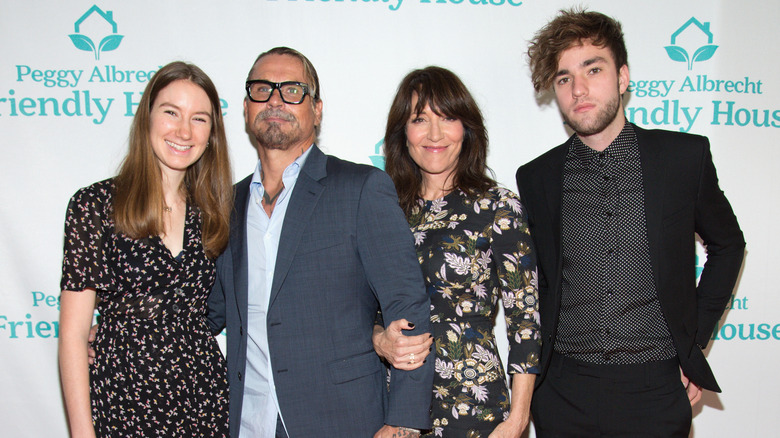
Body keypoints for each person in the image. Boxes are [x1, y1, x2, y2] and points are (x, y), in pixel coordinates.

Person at [515, 9, 745, 437]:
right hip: (563, 390)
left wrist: (692, 342)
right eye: (563, 78)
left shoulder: (681, 159)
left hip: (655, 389)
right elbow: (542, 281)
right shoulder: (536, 177)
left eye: (593, 69)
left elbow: (728, 246)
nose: (578, 89)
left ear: (622, 78)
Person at [205, 47, 434, 438]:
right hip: (247, 423)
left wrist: (404, 422)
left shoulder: (360, 188)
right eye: (262, 89)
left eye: (292, 90)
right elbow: (207, 313)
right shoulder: (226, 204)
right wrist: (118, 334)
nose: (275, 100)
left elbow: (407, 306)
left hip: (344, 421)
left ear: (317, 109)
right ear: (246, 107)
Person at [59, 61, 233, 437]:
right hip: (123, 399)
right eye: (171, 112)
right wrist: (81, 432)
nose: (183, 131)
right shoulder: (95, 205)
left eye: (199, 119)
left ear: (211, 134)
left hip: (203, 397)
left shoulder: (215, 212)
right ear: (147, 117)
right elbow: (73, 336)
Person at [374, 66, 541, 438]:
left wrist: (516, 420)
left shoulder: (497, 206)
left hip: (475, 406)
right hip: (394, 406)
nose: (435, 134)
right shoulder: (384, 211)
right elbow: (364, 308)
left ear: (467, 128)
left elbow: (525, 320)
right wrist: (379, 340)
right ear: (403, 132)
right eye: (420, 119)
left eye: (448, 118)